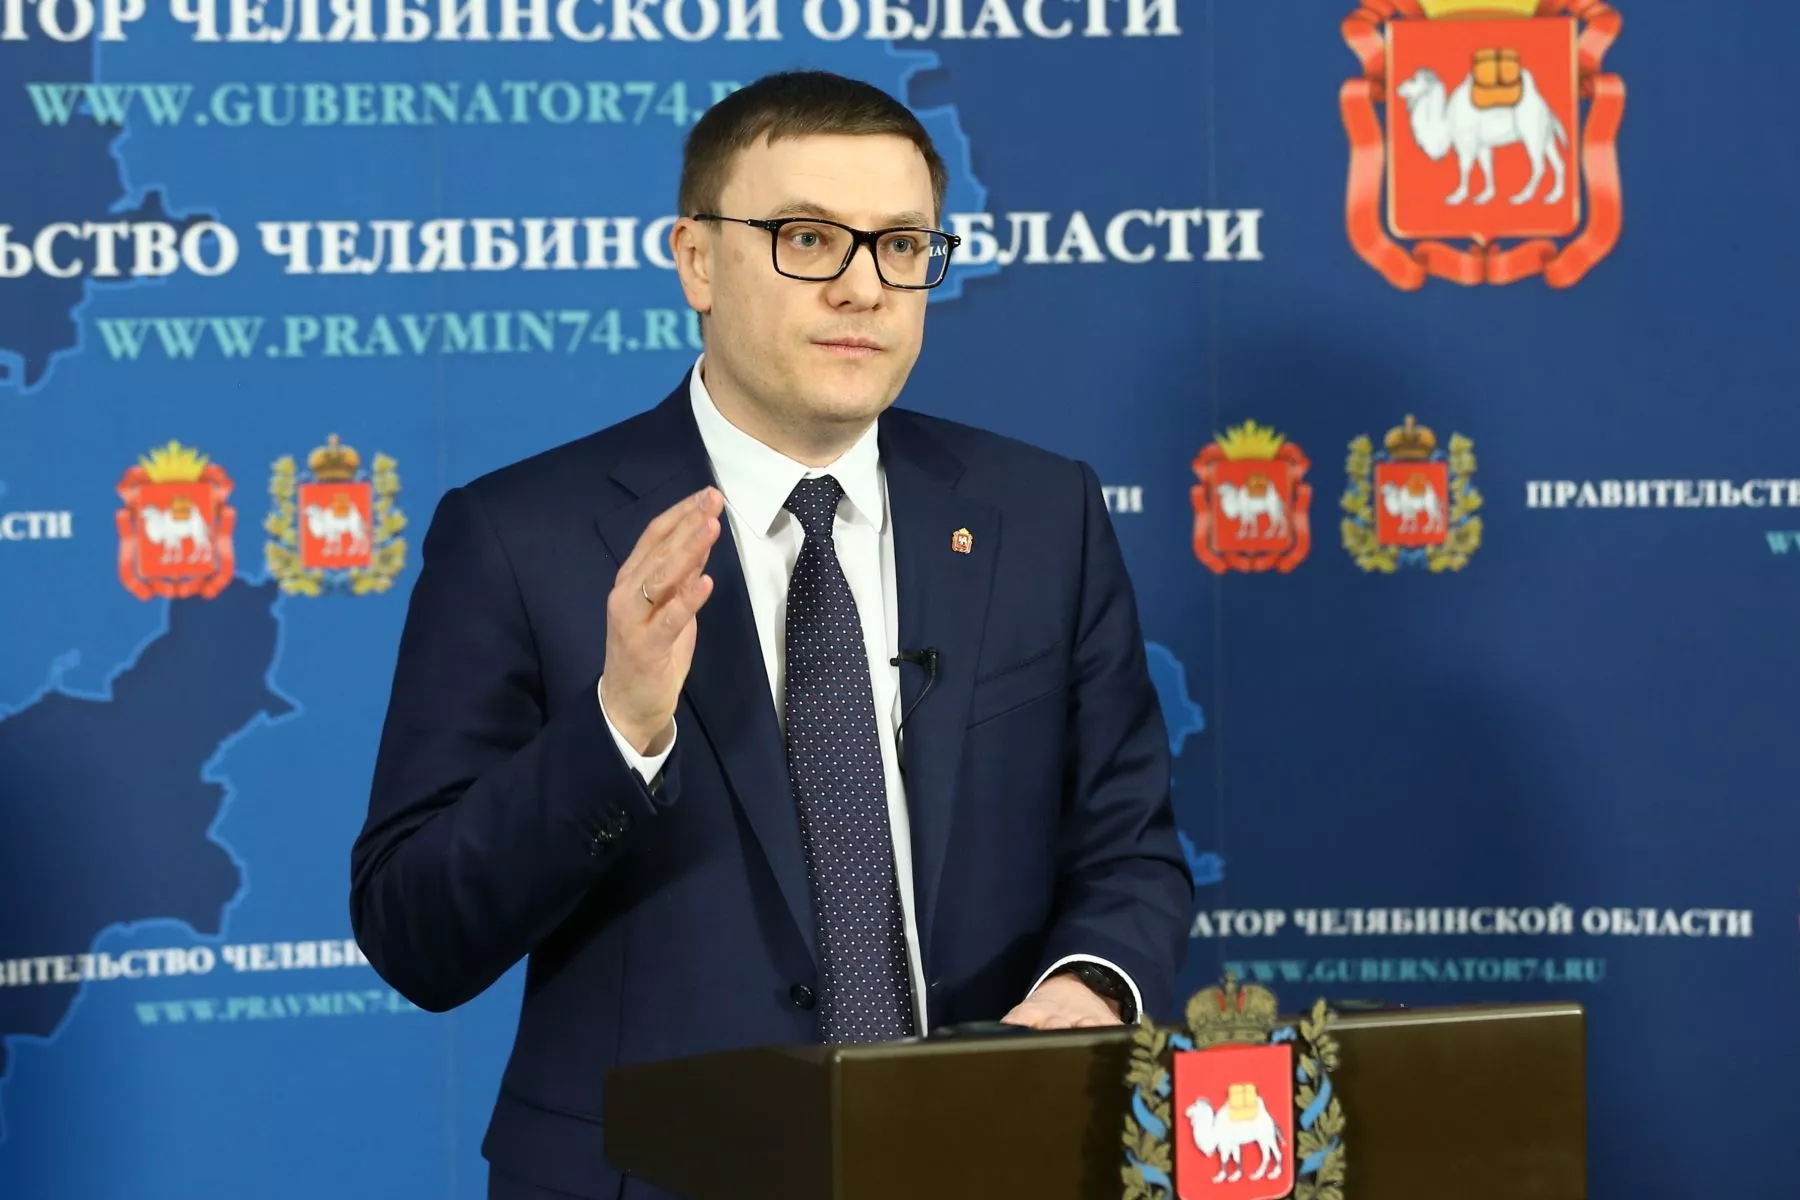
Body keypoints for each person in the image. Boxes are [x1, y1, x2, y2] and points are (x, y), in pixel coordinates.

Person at [350, 69, 1192, 1200]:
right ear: (697, 261)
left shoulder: (1043, 516)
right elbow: (415, 934)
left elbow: (1129, 847)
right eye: (808, 238)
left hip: (986, 1156)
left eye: (902, 245)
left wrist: (1089, 989)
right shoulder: (519, 537)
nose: (864, 287)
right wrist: (617, 730)